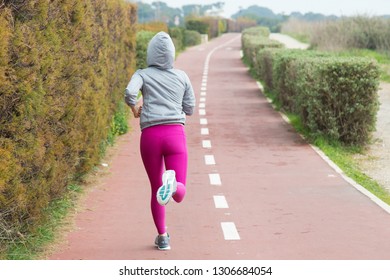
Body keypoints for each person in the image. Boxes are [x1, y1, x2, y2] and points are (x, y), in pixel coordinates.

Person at [124, 32, 195, 250]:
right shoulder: (182, 76)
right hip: (175, 135)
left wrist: (136, 109)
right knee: (179, 191)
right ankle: (174, 186)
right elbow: (190, 108)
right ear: (172, 54)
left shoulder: (142, 74)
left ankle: (162, 237)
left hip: (150, 137)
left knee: (156, 186)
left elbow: (129, 92)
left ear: (150, 53)